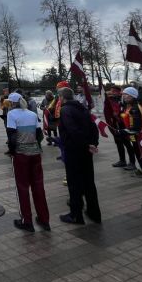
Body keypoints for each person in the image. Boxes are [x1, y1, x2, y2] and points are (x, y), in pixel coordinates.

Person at [6, 93, 50, 232]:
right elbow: (39, 134)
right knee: (38, 186)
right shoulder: (31, 114)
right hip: (35, 153)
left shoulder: (12, 114)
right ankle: (44, 220)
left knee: (22, 188)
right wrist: (33, 145)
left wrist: (13, 151)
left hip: (21, 155)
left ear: (12, 103)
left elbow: (12, 137)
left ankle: (27, 221)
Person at [58, 88, 101, 225]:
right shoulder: (82, 108)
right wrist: (93, 143)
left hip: (74, 151)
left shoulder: (65, 110)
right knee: (89, 182)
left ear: (61, 98)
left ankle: (76, 215)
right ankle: (94, 213)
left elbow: (72, 130)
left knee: (74, 183)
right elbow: (93, 127)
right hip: (86, 151)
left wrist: (86, 145)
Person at [117, 87, 142, 173]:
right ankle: (134, 164)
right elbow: (125, 116)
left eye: (125, 94)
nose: (123, 96)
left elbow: (136, 127)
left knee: (138, 150)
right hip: (131, 134)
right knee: (134, 148)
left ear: (132, 96)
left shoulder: (135, 107)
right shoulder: (128, 106)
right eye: (123, 94)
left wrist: (123, 131)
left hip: (136, 134)